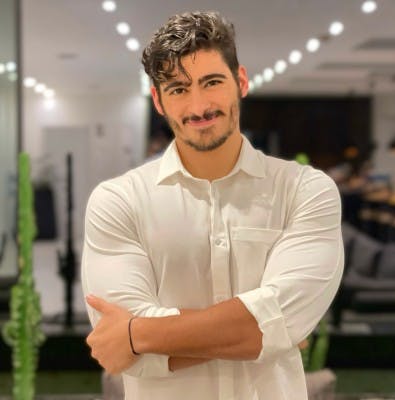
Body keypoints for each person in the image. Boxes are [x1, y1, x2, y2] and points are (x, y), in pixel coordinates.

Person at [82, 11, 344, 400]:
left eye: (212, 82)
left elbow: (129, 342)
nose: (199, 105)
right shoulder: (118, 201)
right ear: (158, 101)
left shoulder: (305, 190)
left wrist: (136, 334)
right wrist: (265, 330)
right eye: (178, 89)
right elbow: (125, 356)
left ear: (241, 81)